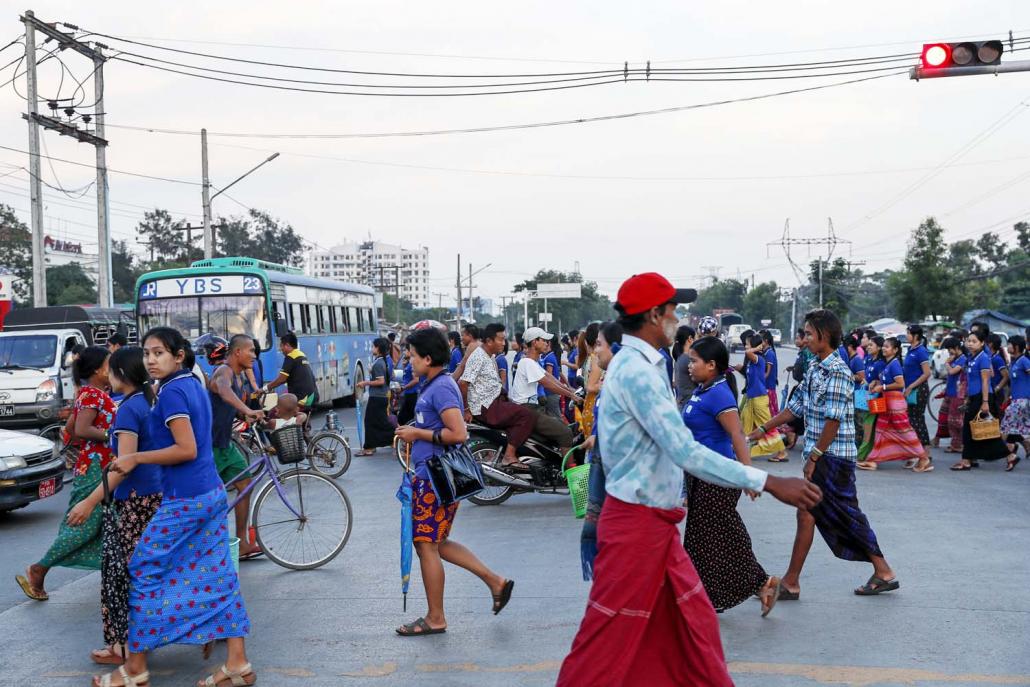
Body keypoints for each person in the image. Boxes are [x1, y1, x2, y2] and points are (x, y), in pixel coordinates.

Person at [557, 273, 821, 687]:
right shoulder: (638, 373)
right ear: (654, 314)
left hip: (654, 527)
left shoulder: (645, 365)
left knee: (695, 631)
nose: (677, 318)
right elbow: (685, 451)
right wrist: (768, 481)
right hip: (636, 527)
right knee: (603, 647)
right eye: (673, 310)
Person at [96, 326, 255, 687]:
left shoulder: (171, 393)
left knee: (143, 570)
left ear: (178, 356)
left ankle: (135, 668)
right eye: (147, 353)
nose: (151, 360)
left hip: (186, 500)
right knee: (219, 575)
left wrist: (136, 457)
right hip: (209, 493)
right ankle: (237, 663)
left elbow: (186, 449)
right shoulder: (189, 385)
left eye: (159, 353)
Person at [749, 309, 900, 600]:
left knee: (845, 514)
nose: (803, 339)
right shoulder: (816, 369)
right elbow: (795, 408)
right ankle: (792, 582)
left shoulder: (839, 372)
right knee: (807, 513)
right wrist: (762, 429)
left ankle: (883, 570)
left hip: (833, 457)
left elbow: (833, 420)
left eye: (808, 334)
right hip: (820, 455)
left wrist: (814, 457)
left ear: (824, 336)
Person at [393, 327, 513, 636]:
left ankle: (436, 618)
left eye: (413, 354)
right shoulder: (433, 385)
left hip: (434, 478)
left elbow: (458, 434)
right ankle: (495, 582)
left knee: (426, 546)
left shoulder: (441, 387)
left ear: (428, 358)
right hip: (431, 476)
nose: (409, 358)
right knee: (437, 543)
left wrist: (416, 434)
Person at [65, 346, 162, 667]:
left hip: (133, 501)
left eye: (112, 369)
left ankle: (121, 646)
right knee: (146, 572)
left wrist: (90, 501)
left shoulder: (129, 410)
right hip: (152, 496)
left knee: (117, 576)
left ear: (123, 374)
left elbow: (124, 465)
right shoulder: (149, 402)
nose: (108, 374)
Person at [681, 336, 781, 616]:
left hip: (718, 476)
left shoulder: (720, 394)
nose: (690, 366)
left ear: (712, 365)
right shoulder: (704, 389)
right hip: (700, 475)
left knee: (720, 536)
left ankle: (761, 582)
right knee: (704, 539)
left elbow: (737, 435)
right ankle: (709, 594)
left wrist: (748, 475)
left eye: (694, 361)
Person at [17, 346, 114, 602]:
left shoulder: (90, 393)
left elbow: (70, 427)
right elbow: (81, 429)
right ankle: (39, 568)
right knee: (83, 524)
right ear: (97, 370)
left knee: (103, 524)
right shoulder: (93, 394)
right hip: (96, 466)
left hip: (94, 463)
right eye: (109, 364)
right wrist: (111, 436)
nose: (113, 369)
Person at [207, 334, 265, 560]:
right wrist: (247, 409)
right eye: (251, 351)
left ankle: (243, 543)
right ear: (237, 352)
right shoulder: (224, 372)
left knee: (245, 486)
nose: (254, 356)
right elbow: (222, 389)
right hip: (209, 446)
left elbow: (234, 407)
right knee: (209, 499)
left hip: (225, 444)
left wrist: (259, 416)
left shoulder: (239, 379)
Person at [458, 322, 535, 469]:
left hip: (494, 402)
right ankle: (509, 455)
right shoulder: (478, 357)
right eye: (500, 339)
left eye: (504, 339)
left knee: (523, 411)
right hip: (486, 407)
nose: (503, 343)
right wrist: (466, 409)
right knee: (526, 415)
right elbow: (463, 383)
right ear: (489, 341)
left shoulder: (489, 356)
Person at [579, 321, 622, 581]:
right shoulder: (612, 381)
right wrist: (596, 434)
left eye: (598, 345)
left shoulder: (623, 387)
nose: (595, 351)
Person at [858, 337, 932, 472]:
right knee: (880, 431)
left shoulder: (894, 364)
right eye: (884, 346)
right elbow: (886, 381)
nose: (884, 349)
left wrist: (882, 387)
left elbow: (901, 384)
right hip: (887, 403)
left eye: (887, 346)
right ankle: (873, 460)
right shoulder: (888, 364)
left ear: (895, 350)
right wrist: (876, 382)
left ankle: (923, 458)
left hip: (895, 404)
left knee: (905, 432)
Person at [509, 327, 579, 457]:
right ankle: (569, 474)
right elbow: (548, 384)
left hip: (532, 408)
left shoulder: (533, 363)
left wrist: (571, 390)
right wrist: (571, 395)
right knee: (565, 432)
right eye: (544, 340)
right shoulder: (527, 363)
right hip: (527, 410)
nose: (547, 343)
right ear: (535, 342)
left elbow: (552, 379)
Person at [952, 329, 1011, 470]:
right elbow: (970, 380)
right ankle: (1009, 456)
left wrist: (985, 403)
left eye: (974, 341)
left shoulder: (983, 357)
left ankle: (966, 460)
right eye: (968, 341)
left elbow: (985, 381)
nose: (970, 344)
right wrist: (967, 398)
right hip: (974, 397)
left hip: (983, 397)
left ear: (982, 343)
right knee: (983, 431)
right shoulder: (970, 358)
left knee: (969, 427)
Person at [741, 334, 788, 462]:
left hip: (759, 399)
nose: (745, 346)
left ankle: (781, 452)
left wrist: (756, 348)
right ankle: (742, 450)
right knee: (745, 422)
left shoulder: (758, 359)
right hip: (752, 399)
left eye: (748, 344)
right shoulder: (752, 361)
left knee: (767, 426)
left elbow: (747, 352)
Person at [356, 337, 395, 456]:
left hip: (377, 397)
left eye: (373, 346)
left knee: (372, 421)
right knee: (376, 422)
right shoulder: (382, 361)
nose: (372, 348)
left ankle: (398, 437)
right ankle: (371, 446)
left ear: (378, 348)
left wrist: (365, 383)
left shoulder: (379, 363)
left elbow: (381, 381)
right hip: (380, 396)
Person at [903, 324, 933, 465]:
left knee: (917, 419)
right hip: (910, 388)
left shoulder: (921, 351)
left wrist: (911, 386)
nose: (906, 335)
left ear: (915, 336)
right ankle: (918, 449)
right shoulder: (911, 349)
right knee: (912, 419)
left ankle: (925, 450)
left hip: (919, 389)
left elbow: (927, 373)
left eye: (908, 333)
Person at [263, 332, 318, 409]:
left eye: (281, 346)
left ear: (287, 345)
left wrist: (265, 389)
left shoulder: (291, 357)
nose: (280, 349)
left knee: (279, 411)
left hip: (302, 399)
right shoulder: (301, 355)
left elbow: (281, 379)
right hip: (312, 396)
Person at [1001, 335, 1029, 471]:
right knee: (1015, 430)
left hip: (1023, 401)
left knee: (1004, 430)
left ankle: (1011, 456)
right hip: (1015, 400)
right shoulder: (1013, 362)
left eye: (1010, 344)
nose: (1008, 347)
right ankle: (1012, 455)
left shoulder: (1024, 361)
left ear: (1016, 346)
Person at [857, 336, 887, 461]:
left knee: (869, 427)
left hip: (876, 400)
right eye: (868, 345)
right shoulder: (869, 360)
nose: (868, 347)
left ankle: (862, 455)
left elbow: (883, 380)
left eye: (871, 345)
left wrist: (876, 381)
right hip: (865, 398)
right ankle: (867, 454)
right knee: (866, 426)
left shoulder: (880, 363)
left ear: (879, 348)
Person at [941, 337, 967, 454]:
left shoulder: (963, 359)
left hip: (959, 394)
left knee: (956, 421)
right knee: (950, 421)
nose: (949, 352)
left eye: (950, 349)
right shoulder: (955, 359)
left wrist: (947, 363)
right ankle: (955, 444)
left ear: (957, 348)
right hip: (951, 393)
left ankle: (960, 444)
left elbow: (952, 371)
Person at [578, 323, 602, 435]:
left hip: (589, 406)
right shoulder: (596, 359)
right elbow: (591, 387)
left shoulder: (590, 358)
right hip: (595, 408)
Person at [539, 335, 566, 419]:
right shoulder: (548, 356)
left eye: (544, 341)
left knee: (556, 418)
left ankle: (565, 431)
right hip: (550, 393)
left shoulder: (549, 358)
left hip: (550, 393)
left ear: (548, 343)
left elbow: (549, 377)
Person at [673, 324, 696, 409]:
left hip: (683, 403)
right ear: (690, 339)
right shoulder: (688, 359)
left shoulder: (680, 357)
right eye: (695, 338)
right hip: (689, 403)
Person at [397, 352, 420, 426]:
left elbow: (416, 380)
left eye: (406, 350)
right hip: (408, 394)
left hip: (412, 394)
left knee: (406, 418)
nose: (404, 352)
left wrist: (404, 387)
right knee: (402, 418)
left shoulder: (412, 364)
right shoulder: (408, 363)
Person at [988, 333, 1011, 406]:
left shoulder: (997, 359)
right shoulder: (989, 357)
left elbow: (1006, 376)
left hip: (996, 395)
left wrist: (997, 388)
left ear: (990, 344)